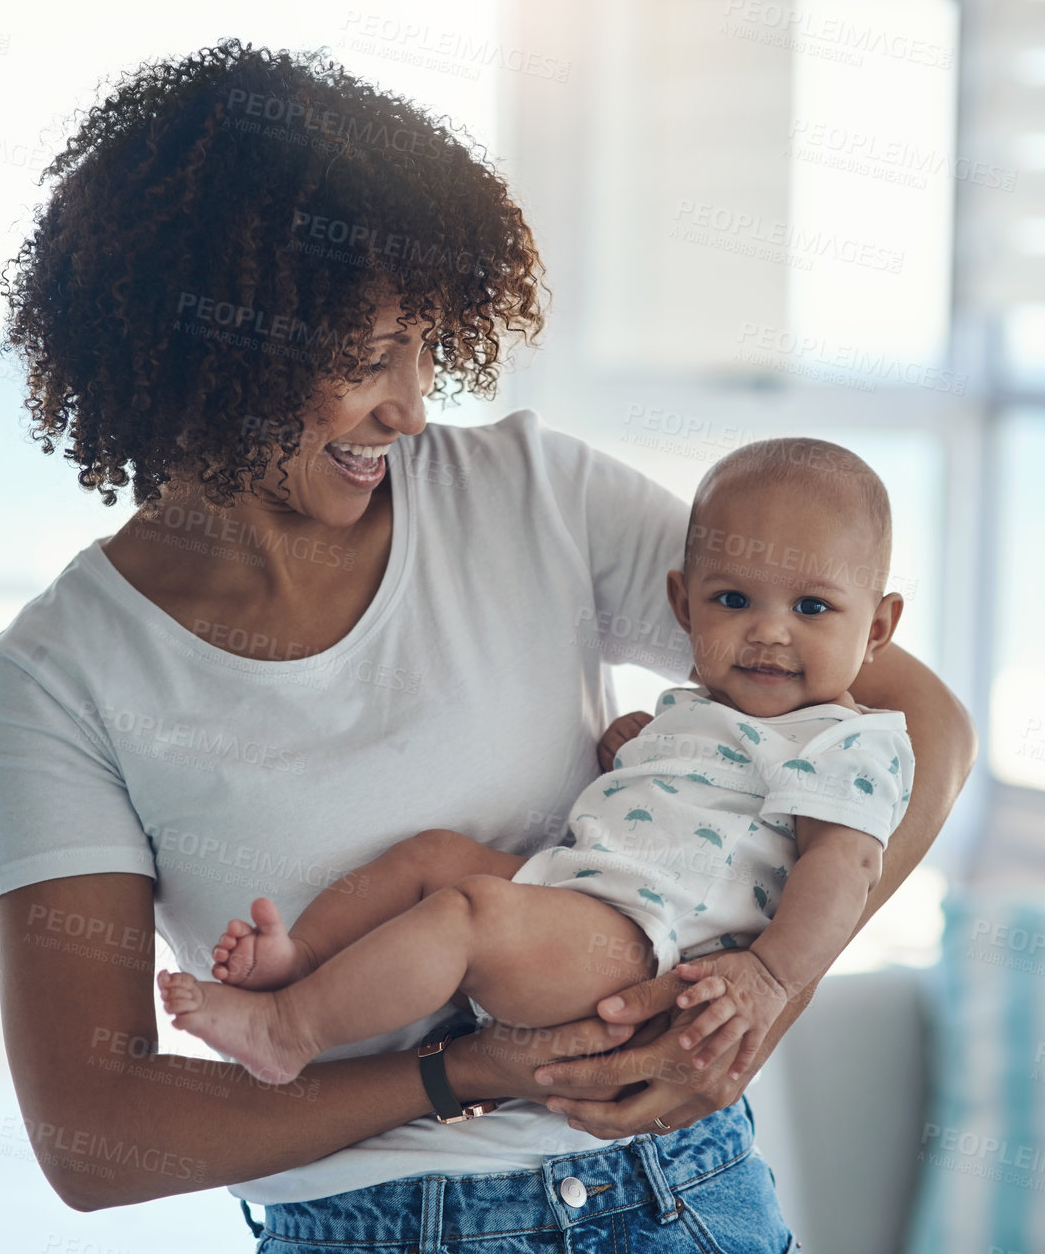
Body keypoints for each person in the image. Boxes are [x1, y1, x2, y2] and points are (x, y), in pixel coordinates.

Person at [0, 40, 976, 1254]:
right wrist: (462, 1070)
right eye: (368, 356)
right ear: (205, 341)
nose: (411, 406)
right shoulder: (63, 672)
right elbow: (98, 1131)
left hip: (698, 1243)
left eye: (426, 348)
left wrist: (771, 994)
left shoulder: (529, 499)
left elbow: (910, 718)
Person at [159, 436, 917, 1092]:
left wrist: (772, 978)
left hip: (641, 949)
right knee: (435, 858)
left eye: (812, 608)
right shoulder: (705, 712)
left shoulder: (849, 742)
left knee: (469, 916)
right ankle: (306, 956)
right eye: (733, 600)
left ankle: (290, 1031)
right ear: (683, 606)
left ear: (878, 626)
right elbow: (693, 803)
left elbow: (843, 867)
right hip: (579, 896)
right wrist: (638, 753)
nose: (769, 634)